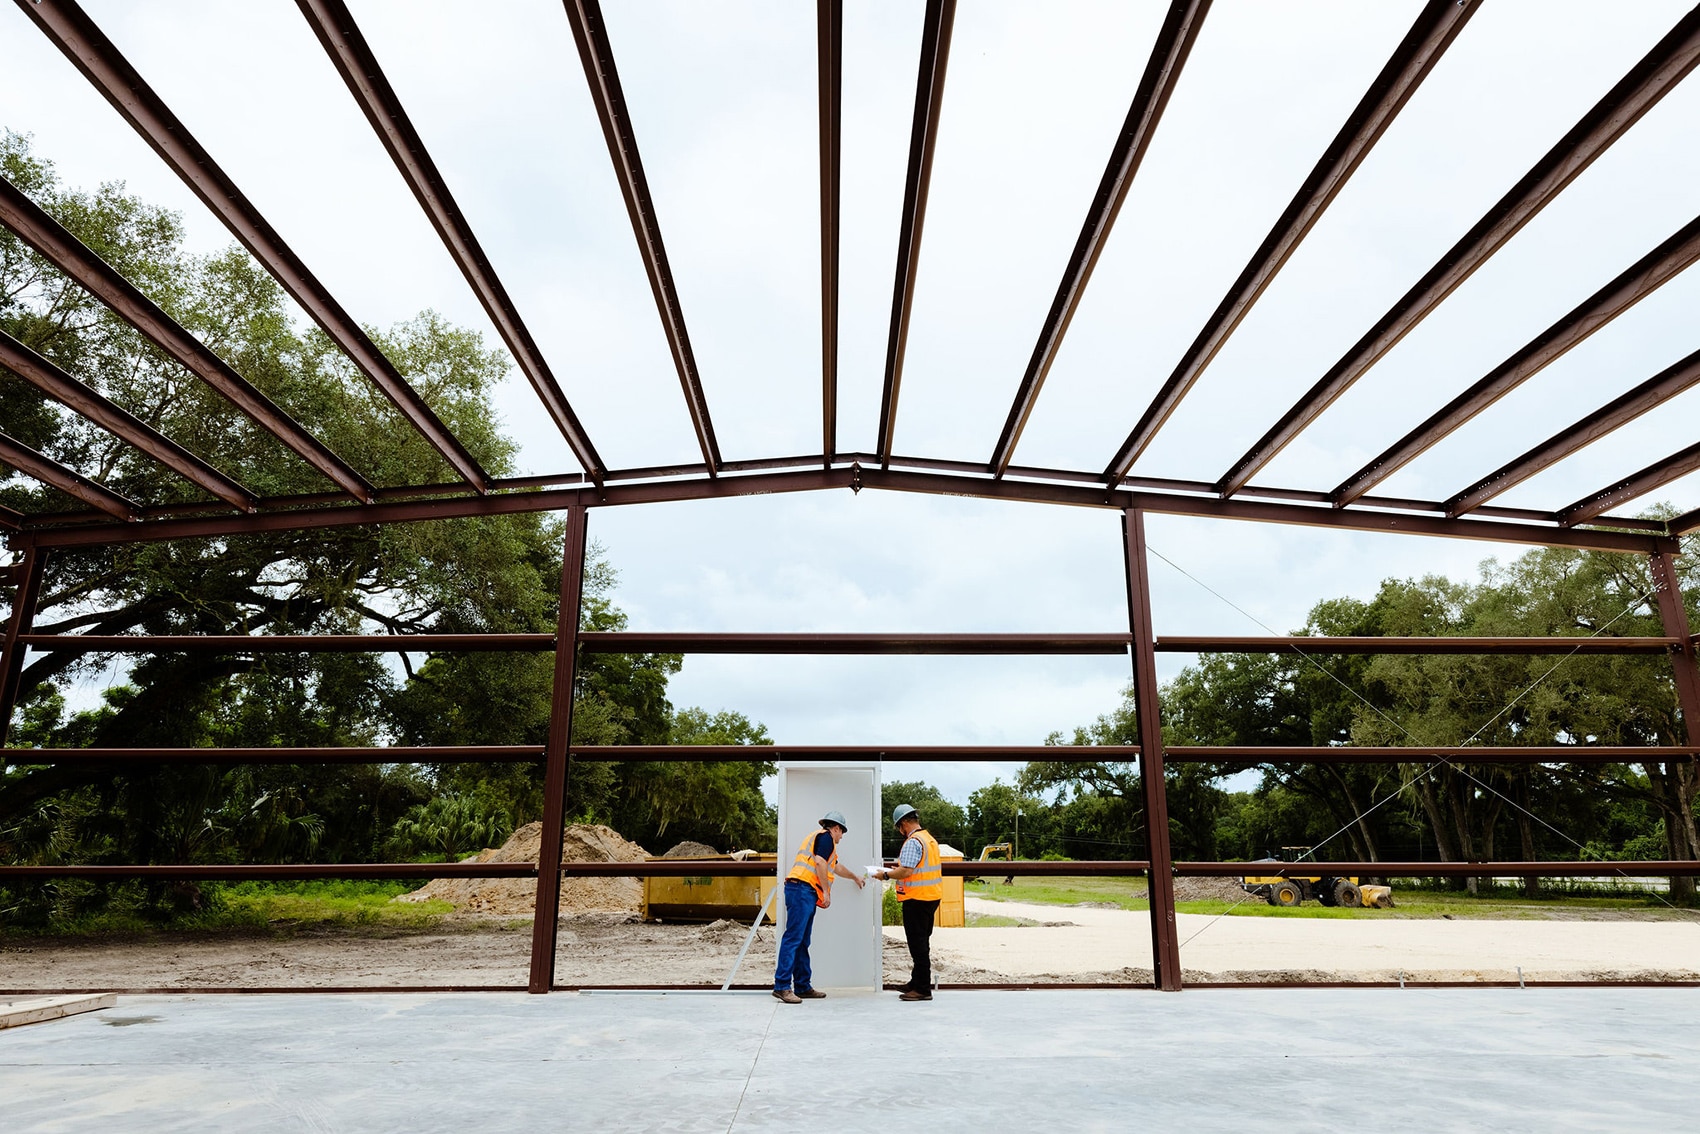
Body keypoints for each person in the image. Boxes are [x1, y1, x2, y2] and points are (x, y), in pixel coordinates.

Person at [773, 809, 866, 1003]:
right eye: (842, 833)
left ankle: (802, 986)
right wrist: (826, 891)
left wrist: (854, 877)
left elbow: (835, 866)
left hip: (802, 890)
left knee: (801, 940)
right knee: (794, 938)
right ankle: (782, 986)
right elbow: (820, 862)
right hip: (802, 890)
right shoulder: (825, 838)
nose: (842, 837)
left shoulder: (823, 842)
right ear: (836, 828)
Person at [873, 803, 941, 1001]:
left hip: (917, 899)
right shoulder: (929, 839)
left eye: (899, 827)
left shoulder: (913, 841)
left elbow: (907, 871)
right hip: (930, 897)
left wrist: (885, 874)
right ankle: (916, 982)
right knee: (922, 942)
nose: (900, 831)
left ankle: (921, 989)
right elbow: (917, 868)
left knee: (917, 945)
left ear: (903, 823)